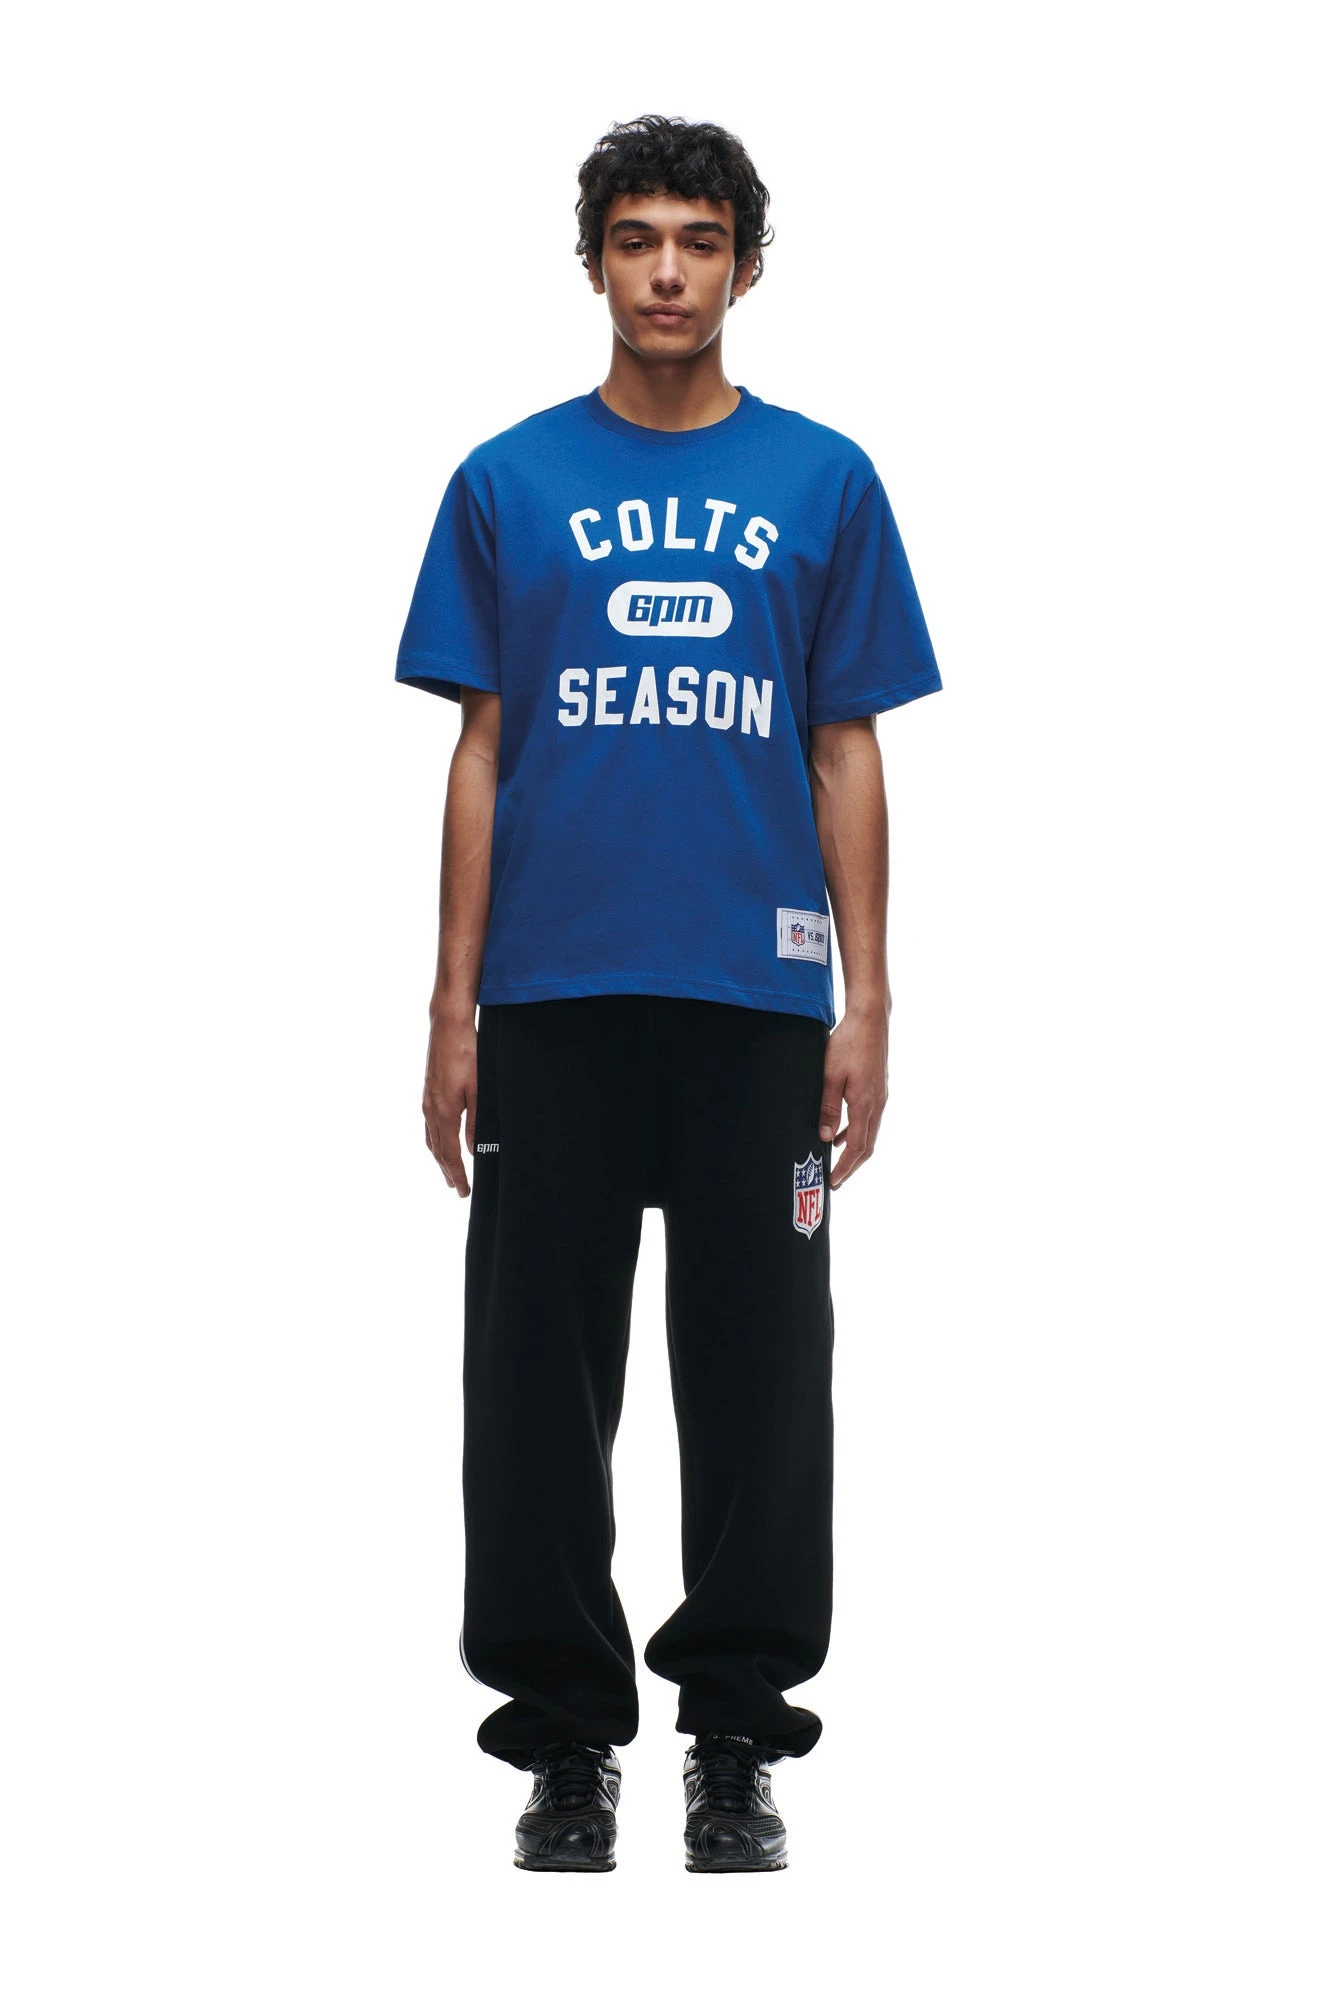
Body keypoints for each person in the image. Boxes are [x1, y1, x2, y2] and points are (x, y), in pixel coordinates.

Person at [394, 113, 942, 1874]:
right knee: (534, 1386)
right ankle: (565, 1743)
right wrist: (451, 1007)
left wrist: (867, 998)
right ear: (592, 264)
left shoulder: (824, 481)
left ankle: (736, 1739)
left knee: (763, 1377)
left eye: (700, 241)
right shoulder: (507, 481)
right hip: (553, 994)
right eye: (636, 239)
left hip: (754, 997)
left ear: (746, 267)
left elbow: (844, 748)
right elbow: (482, 751)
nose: (667, 273)